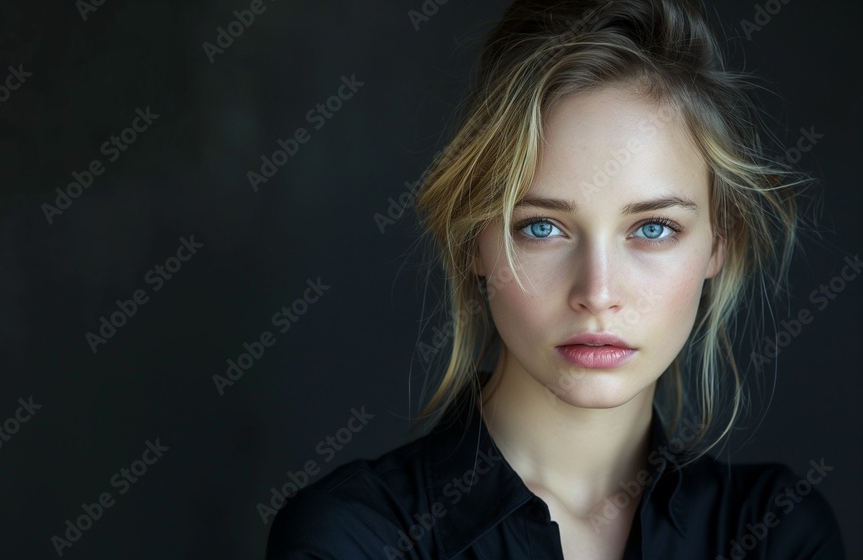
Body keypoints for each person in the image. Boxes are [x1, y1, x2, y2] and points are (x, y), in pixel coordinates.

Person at [265, 0, 845, 558]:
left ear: (718, 244)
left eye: (653, 229)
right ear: (475, 241)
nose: (597, 293)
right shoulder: (354, 536)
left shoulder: (777, 533)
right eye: (542, 227)